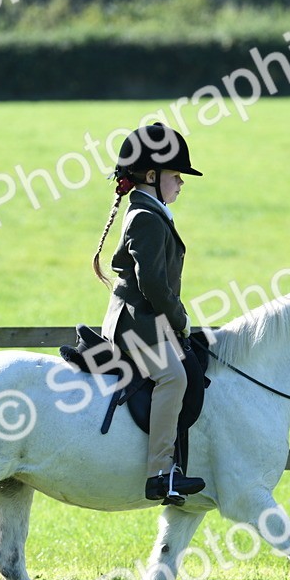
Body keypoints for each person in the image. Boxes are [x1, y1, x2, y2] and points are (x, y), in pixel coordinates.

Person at [91, 123, 207, 506]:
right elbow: (154, 284)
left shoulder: (151, 211)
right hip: (135, 324)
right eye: (176, 176)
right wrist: (181, 320)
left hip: (146, 320)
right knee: (172, 377)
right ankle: (160, 473)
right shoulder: (144, 215)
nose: (181, 184)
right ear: (152, 176)